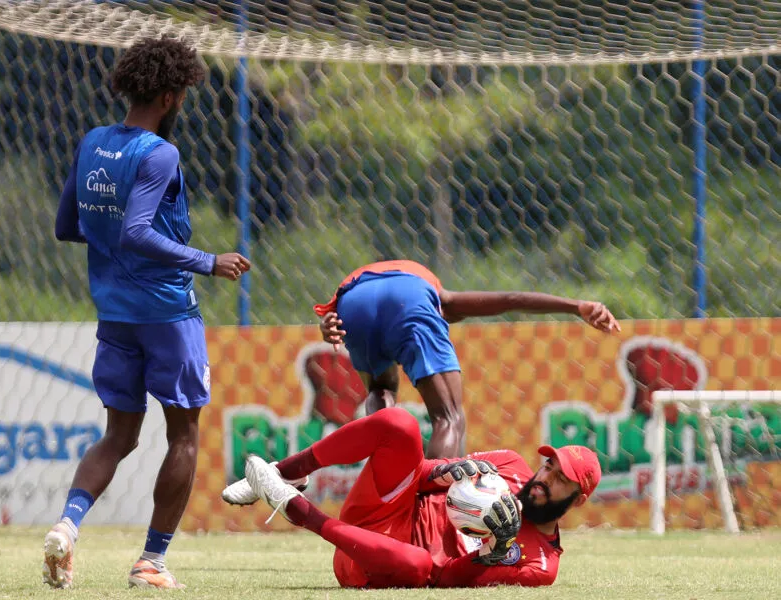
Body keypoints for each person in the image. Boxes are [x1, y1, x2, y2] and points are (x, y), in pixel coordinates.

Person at [45, 36, 250, 590]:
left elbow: (67, 227)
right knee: (183, 436)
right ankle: (150, 563)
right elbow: (137, 231)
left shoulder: (92, 142)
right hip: (166, 313)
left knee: (118, 436)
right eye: (183, 92)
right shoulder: (160, 153)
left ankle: (67, 526)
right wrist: (209, 261)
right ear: (169, 96)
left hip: (114, 314)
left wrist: (107, 232)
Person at [233, 406, 601, 588]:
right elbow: (420, 472)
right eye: (549, 465)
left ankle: (293, 507)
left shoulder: (541, 566)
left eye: (560, 478)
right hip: (388, 507)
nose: (544, 477)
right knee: (400, 424)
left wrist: (495, 552)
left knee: (420, 566)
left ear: (578, 500)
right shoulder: (509, 464)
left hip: (375, 559)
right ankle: (286, 472)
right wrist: (443, 472)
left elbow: (446, 581)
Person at [313, 259, 620, 457]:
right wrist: (576, 306)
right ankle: (432, 506)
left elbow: (335, 321)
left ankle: (385, 473)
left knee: (380, 390)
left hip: (350, 298)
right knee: (448, 418)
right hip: (409, 291)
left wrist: (328, 327)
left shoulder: (427, 296)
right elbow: (512, 300)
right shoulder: (440, 299)